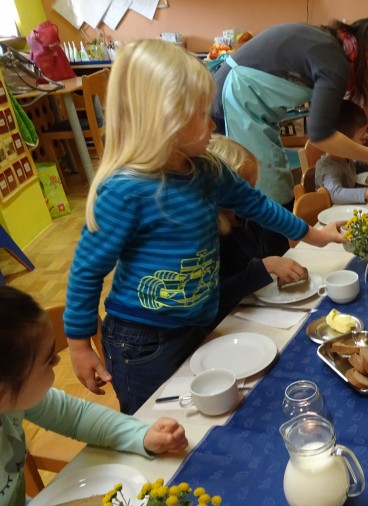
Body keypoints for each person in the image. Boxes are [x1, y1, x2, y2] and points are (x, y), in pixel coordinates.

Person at [64, 40, 345, 415]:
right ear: (164, 121)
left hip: (196, 323)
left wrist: (314, 235)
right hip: (143, 340)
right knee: (156, 421)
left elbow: (257, 204)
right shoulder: (126, 191)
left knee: (198, 414)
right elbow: (86, 271)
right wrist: (79, 345)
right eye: (201, 114)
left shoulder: (208, 169)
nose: (213, 124)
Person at [0, 286, 188, 506]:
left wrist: (140, 434)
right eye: (48, 360)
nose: (58, 360)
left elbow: (76, 417)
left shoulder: (15, 399)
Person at [211, 17, 368, 208]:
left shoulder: (335, 48)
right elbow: (321, 135)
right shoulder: (334, 60)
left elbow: (336, 122)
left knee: (274, 190)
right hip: (233, 99)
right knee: (263, 195)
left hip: (249, 104)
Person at [207, 134, 308, 312]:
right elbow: (216, 296)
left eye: (253, 188)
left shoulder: (247, 219)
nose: (252, 197)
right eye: (245, 190)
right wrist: (266, 266)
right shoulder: (209, 235)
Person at [316, 100, 368, 204]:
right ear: (343, 142)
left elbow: (356, 167)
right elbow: (335, 194)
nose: (367, 137)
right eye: (362, 137)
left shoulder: (345, 158)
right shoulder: (327, 167)